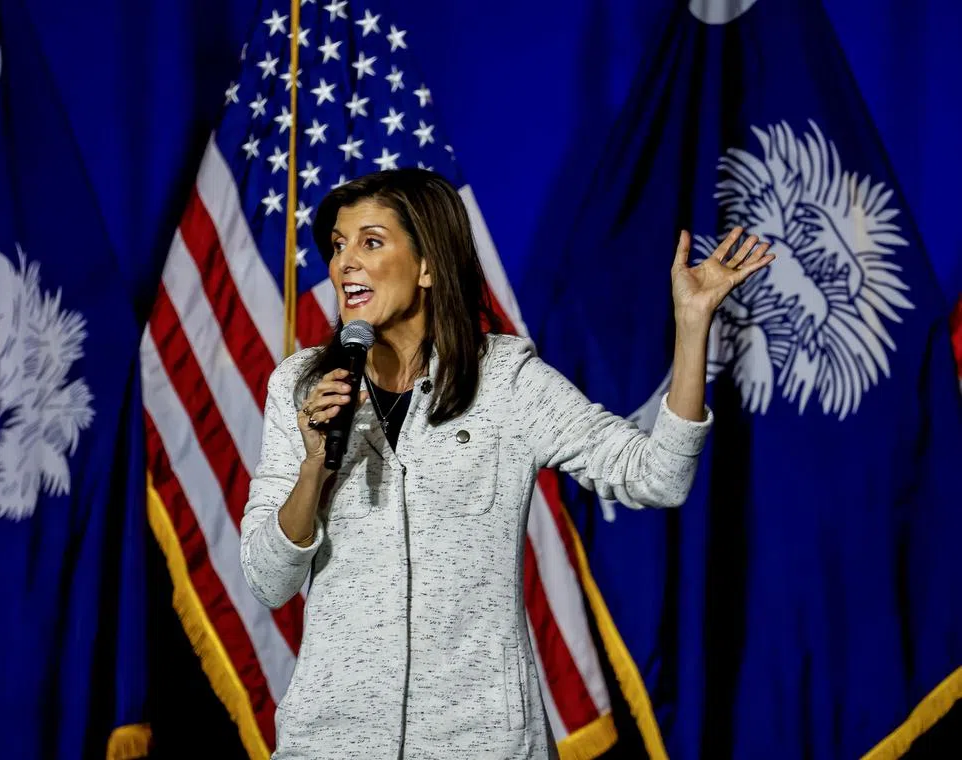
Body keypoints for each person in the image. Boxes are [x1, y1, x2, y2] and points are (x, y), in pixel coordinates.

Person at [239, 168, 774, 758]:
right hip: (331, 742)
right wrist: (315, 465)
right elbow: (269, 580)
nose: (345, 263)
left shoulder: (505, 382)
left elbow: (657, 476)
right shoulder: (303, 385)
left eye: (370, 241)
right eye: (338, 246)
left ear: (428, 266)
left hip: (483, 739)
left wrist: (692, 327)